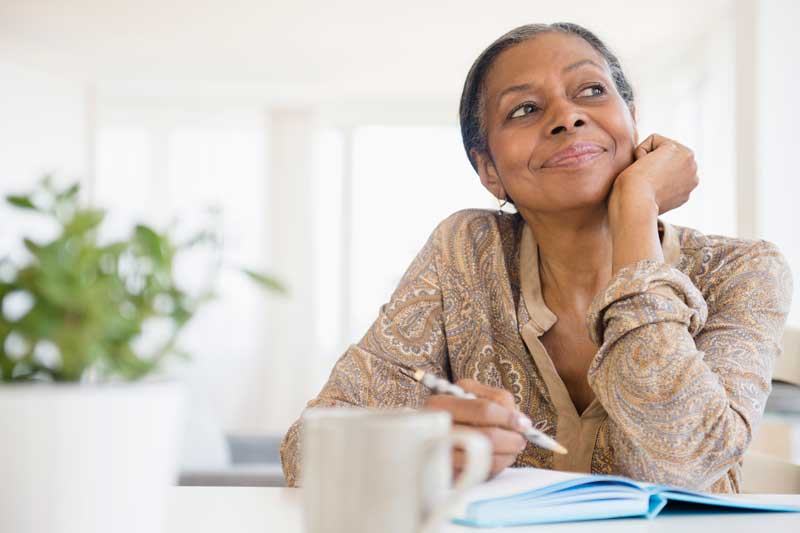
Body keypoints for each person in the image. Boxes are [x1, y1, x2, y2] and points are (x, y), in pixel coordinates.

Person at [279, 22, 792, 493]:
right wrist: (418, 446)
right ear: (489, 172)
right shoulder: (463, 251)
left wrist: (637, 208)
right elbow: (305, 451)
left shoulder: (740, 270)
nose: (567, 117)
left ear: (632, 124)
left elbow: (684, 463)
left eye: (591, 91)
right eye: (524, 109)